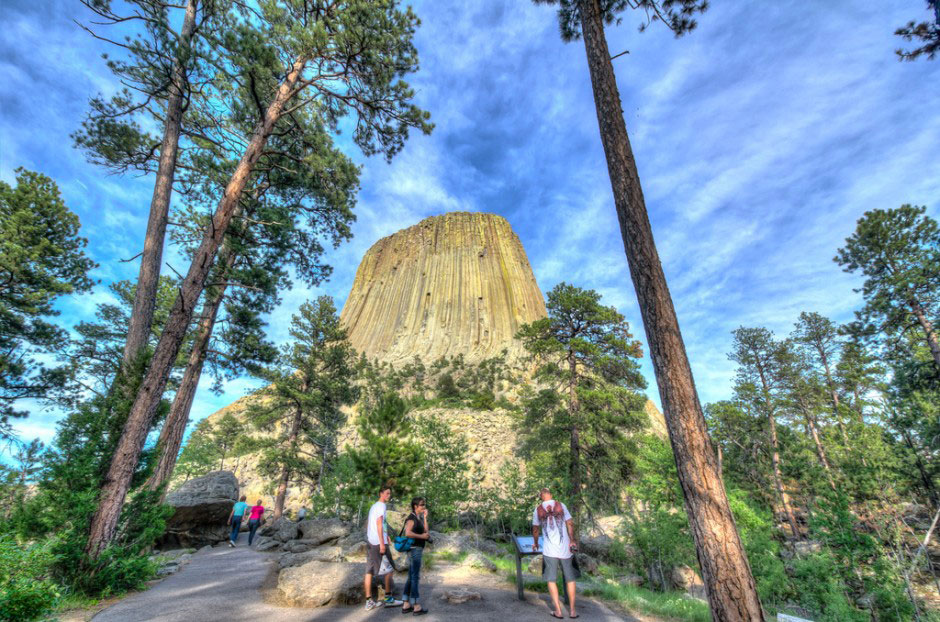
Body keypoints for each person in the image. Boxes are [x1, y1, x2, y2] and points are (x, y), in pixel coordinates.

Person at [532, 487, 578, 619]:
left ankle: (558, 611)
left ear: (541, 496)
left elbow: (535, 529)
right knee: (570, 578)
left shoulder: (538, 510)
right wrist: (572, 540)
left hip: (549, 550)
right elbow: (570, 523)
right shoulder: (561, 505)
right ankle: (573, 611)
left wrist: (535, 543)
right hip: (565, 548)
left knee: (551, 579)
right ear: (550, 494)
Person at [363, 485, 403, 610]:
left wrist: (386, 536)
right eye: (386, 493)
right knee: (390, 570)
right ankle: (388, 598)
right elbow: (379, 524)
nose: (388, 496)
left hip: (371, 542)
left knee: (369, 572)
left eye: (389, 494)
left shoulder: (374, 506)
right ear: (381, 493)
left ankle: (369, 601)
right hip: (378, 544)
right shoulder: (381, 506)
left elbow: (371, 524)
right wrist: (381, 543)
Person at [401, 497, 430, 615]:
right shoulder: (411, 518)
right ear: (415, 506)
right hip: (414, 550)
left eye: (424, 504)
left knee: (410, 577)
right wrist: (422, 537)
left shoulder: (418, 517)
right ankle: (416, 605)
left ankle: (406, 604)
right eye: (422, 505)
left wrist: (425, 518)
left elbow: (426, 532)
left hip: (417, 549)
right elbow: (407, 533)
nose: (424, 506)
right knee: (415, 577)